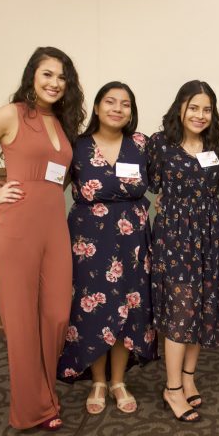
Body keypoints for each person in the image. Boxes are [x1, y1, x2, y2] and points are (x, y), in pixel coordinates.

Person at [0, 46, 85, 430]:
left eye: (62, 77)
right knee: (22, 323)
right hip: (16, 231)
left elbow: (56, 178)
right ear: (32, 76)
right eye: (47, 74)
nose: (55, 83)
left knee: (57, 315)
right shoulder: (12, 114)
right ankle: (32, 410)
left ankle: (44, 394)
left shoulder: (62, 122)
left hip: (54, 230)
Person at [56, 81, 158, 414]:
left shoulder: (141, 144)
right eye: (110, 102)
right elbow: (51, 184)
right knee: (93, 308)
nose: (117, 108)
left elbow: (166, 178)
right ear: (97, 108)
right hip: (89, 241)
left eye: (125, 104)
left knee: (129, 307)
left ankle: (118, 380)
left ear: (132, 111)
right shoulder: (76, 145)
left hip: (133, 241)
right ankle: (98, 380)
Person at [148, 80, 219, 423]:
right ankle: (172, 388)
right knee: (181, 311)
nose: (200, 115)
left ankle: (189, 378)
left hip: (209, 234)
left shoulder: (215, 146)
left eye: (207, 109)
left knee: (201, 307)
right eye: (194, 107)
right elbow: (148, 183)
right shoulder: (160, 144)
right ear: (180, 107)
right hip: (175, 236)